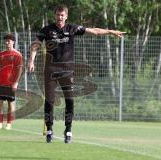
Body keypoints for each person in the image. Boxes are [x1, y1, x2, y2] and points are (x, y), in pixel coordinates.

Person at [28, 4, 125, 143]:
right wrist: (31, 60)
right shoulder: (47, 30)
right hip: (50, 71)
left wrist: (110, 31)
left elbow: (94, 31)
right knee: (49, 100)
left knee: (70, 100)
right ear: (54, 16)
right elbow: (36, 45)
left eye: (62, 15)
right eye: (57, 14)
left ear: (66, 16)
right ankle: (49, 129)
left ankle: (68, 130)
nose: (60, 17)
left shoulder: (72, 28)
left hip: (67, 71)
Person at [0, 33, 23, 130]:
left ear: (13, 42)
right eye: (5, 41)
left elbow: (20, 70)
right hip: (1, 82)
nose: (6, 43)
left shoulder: (17, 54)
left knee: (10, 103)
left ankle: (9, 124)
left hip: (11, 83)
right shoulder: (1, 54)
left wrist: (16, 82)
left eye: (8, 41)